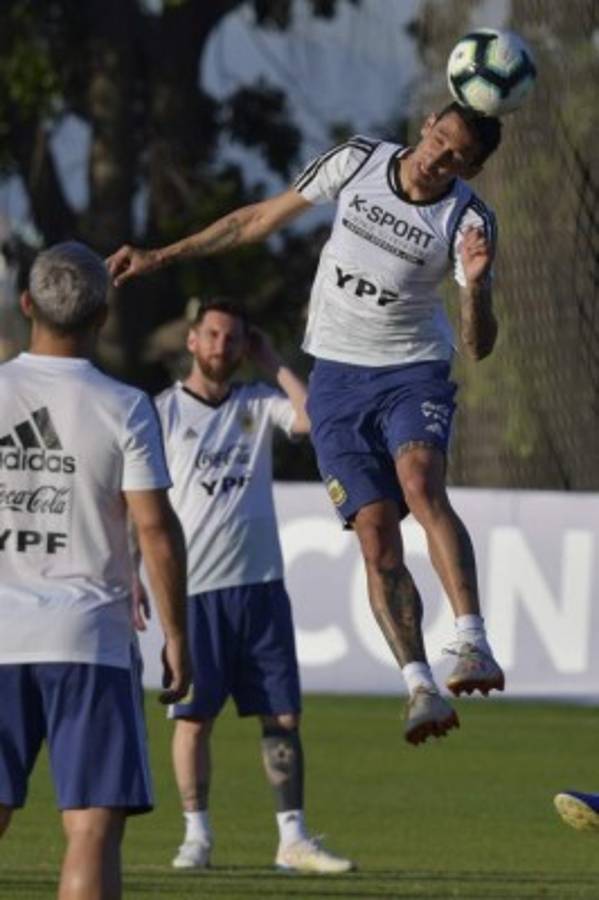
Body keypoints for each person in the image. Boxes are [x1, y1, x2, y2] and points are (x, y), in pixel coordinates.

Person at [108, 101, 506, 746]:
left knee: (420, 482)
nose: (438, 159)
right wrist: (160, 257)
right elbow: (257, 220)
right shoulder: (357, 161)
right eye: (438, 139)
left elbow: (479, 344)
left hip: (411, 370)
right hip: (337, 381)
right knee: (375, 538)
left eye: (457, 157)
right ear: (427, 122)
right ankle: (420, 687)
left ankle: (472, 640)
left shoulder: (467, 219)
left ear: (475, 167)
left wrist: (477, 288)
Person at [0, 241, 191, 900]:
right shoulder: (125, 405)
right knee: (89, 830)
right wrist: (177, 637)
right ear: (102, 316)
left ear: (26, 305)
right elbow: (155, 531)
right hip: (87, 639)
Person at [137, 298, 354, 874]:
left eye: (233, 339)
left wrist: (272, 359)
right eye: (212, 335)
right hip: (195, 593)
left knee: (282, 717)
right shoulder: (162, 413)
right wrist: (132, 574)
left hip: (261, 588)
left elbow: (312, 419)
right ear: (191, 340)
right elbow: (138, 504)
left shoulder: (258, 403)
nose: (221, 347)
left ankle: (293, 839)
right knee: (192, 718)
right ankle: (197, 837)